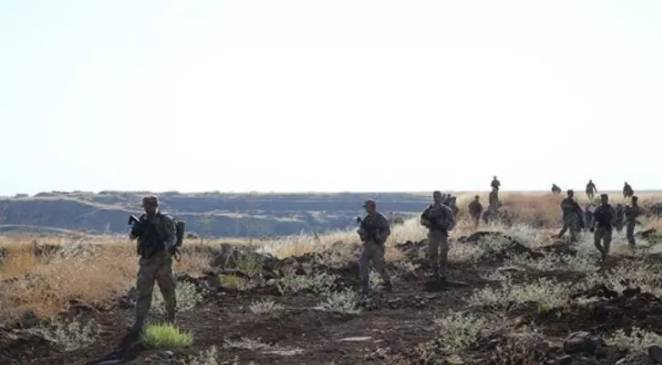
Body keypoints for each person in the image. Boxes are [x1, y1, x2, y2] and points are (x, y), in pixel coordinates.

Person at [130, 196, 178, 331]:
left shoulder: (165, 220)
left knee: (168, 291)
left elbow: (173, 238)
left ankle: (171, 318)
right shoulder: (142, 220)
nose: (149, 209)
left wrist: (163, 245)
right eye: (146, 206)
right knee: (143, 293)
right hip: (146, 262)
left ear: (156, 206)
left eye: (151, 206)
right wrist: (135, 231)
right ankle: (139, 322)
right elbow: (132, 237)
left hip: (163, 262)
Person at [357, 200, 392, 295]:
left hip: (377, 246)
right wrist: (362, 233)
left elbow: (387, 231)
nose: (366, 210)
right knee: (362, 264)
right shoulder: (366, 220)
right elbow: (363, 235)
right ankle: (365, 287)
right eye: (366, 208)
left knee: (379, 266)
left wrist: (379, 236)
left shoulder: (381, 219)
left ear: (372, 207)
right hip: (368, 245)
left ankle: (388, 283)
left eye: (367, 207)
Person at [421, 191, 456, 280]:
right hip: (432, 233)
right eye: (435, 197)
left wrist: (445, 225)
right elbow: (422, 220)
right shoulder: (429, 209)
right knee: (433, 253)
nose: (436, 198)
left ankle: (443, 273)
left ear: (441, 198)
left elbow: (452, 222)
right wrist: (427, 222)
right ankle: (435, 272)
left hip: (442, 234)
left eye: (438, 196)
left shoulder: (446, 210)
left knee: (443, 253)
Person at [592, 194, 616, 263]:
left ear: (607, 200)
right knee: (596, 242)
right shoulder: (598, 208)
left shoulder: (610, 208)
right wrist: (592, 225)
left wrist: (611, 223)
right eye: (602, 199)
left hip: (608, 227)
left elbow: (614, 217)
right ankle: (603, 253)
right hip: (600, 226)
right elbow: (594, 217)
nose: (603, 201)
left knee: (606, 243)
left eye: (604, 199)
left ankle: (605, 258)